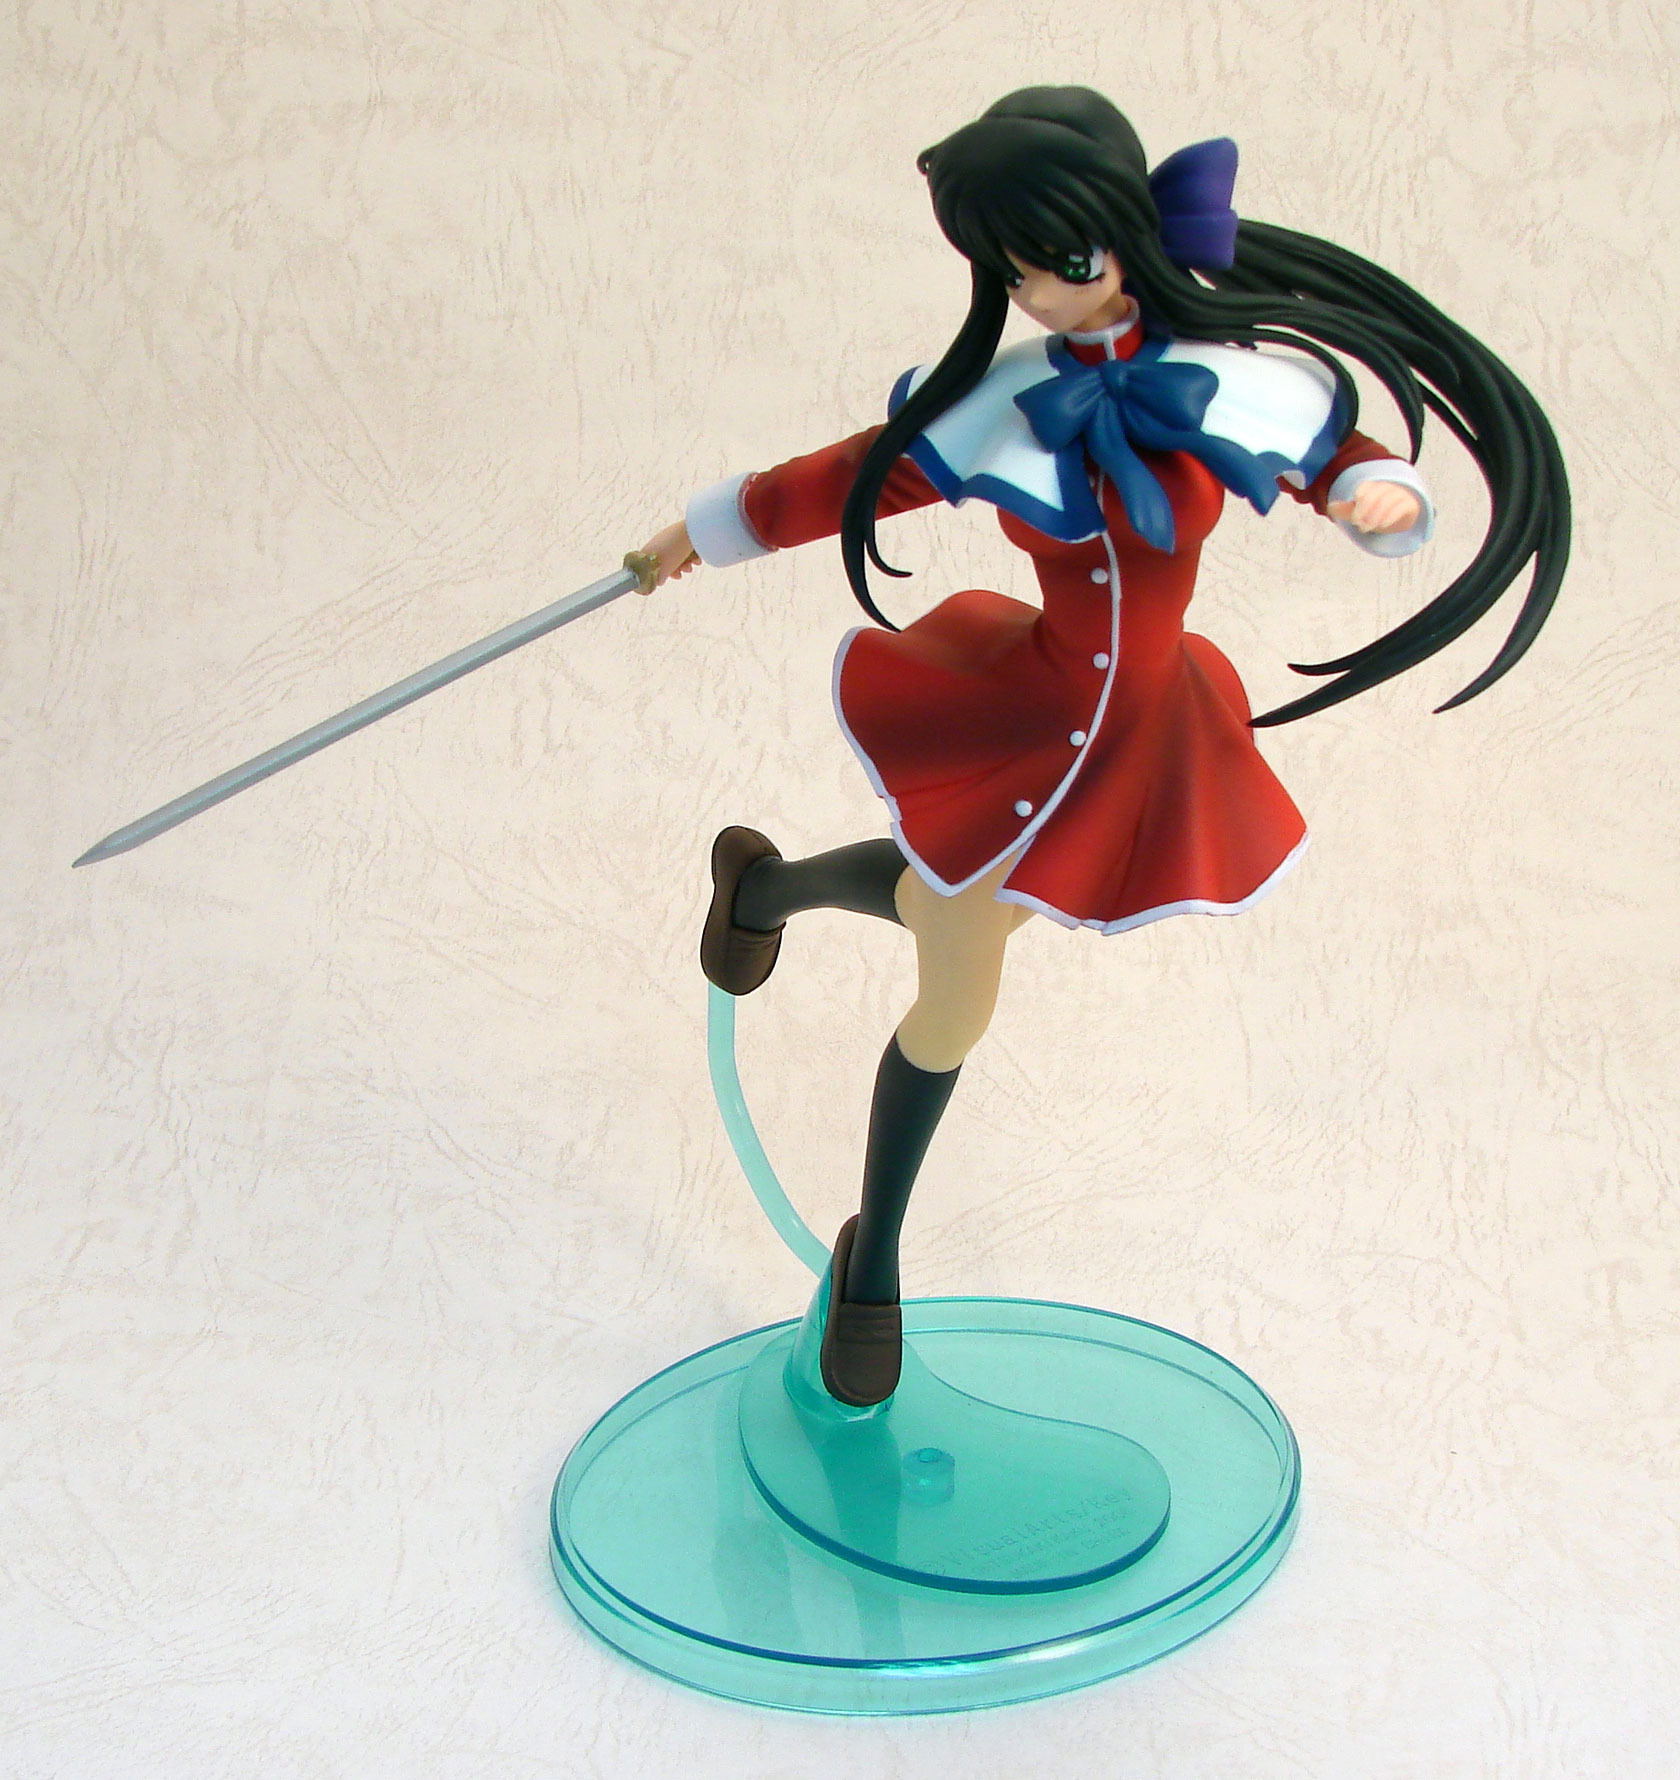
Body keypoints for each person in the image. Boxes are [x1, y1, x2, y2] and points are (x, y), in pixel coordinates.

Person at [636, 87, 1568, 1409]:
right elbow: (856, 474)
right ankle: (872, 1256)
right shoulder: (1005, 405)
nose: (1037, 294)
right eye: (1012, 273)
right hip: (1030, 717)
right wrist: (709, 527)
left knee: (953, 909)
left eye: (1058, 262)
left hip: (1148, 734)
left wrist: (1373, 493)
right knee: (959, 986)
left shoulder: (1221, 374)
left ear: (1131, 230)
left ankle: (764, 889)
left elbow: (1327, 447)